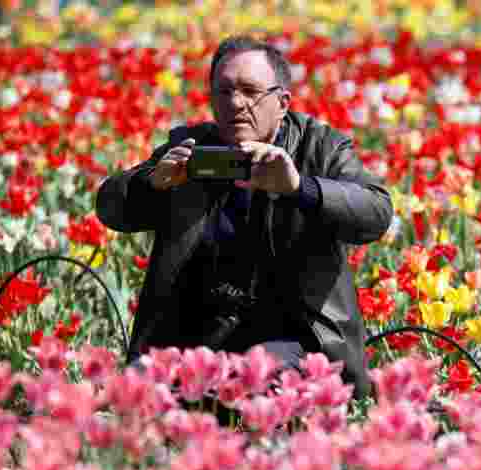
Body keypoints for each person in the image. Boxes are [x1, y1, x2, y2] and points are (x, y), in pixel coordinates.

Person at [96, 35, 393, 400]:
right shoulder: (190, 148)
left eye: (250, 91)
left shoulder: (320, 148)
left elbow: (377, 211)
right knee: (133, 393)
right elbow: (110, 208)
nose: (236, 103)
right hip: (198, 336)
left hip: (293, 339)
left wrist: (301, 187)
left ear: (282, 102)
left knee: (254, 380)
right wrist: (151, 184)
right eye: (223, 92)